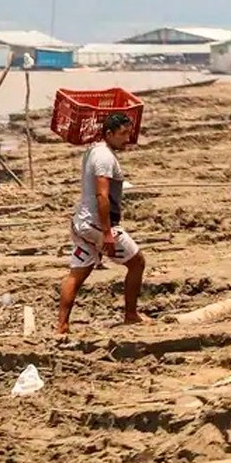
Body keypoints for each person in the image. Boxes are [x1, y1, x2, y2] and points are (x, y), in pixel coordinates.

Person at [57, 113, 148, 335]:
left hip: (82, 223)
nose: (127, 138)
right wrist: (107, 233)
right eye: (123, 134)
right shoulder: (105, 158)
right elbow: (102, 196)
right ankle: (131, 314)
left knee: (77, 274)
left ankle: (62, 325)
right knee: (137, 263)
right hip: (98, 225)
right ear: (109, 133)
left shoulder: (94, 150)